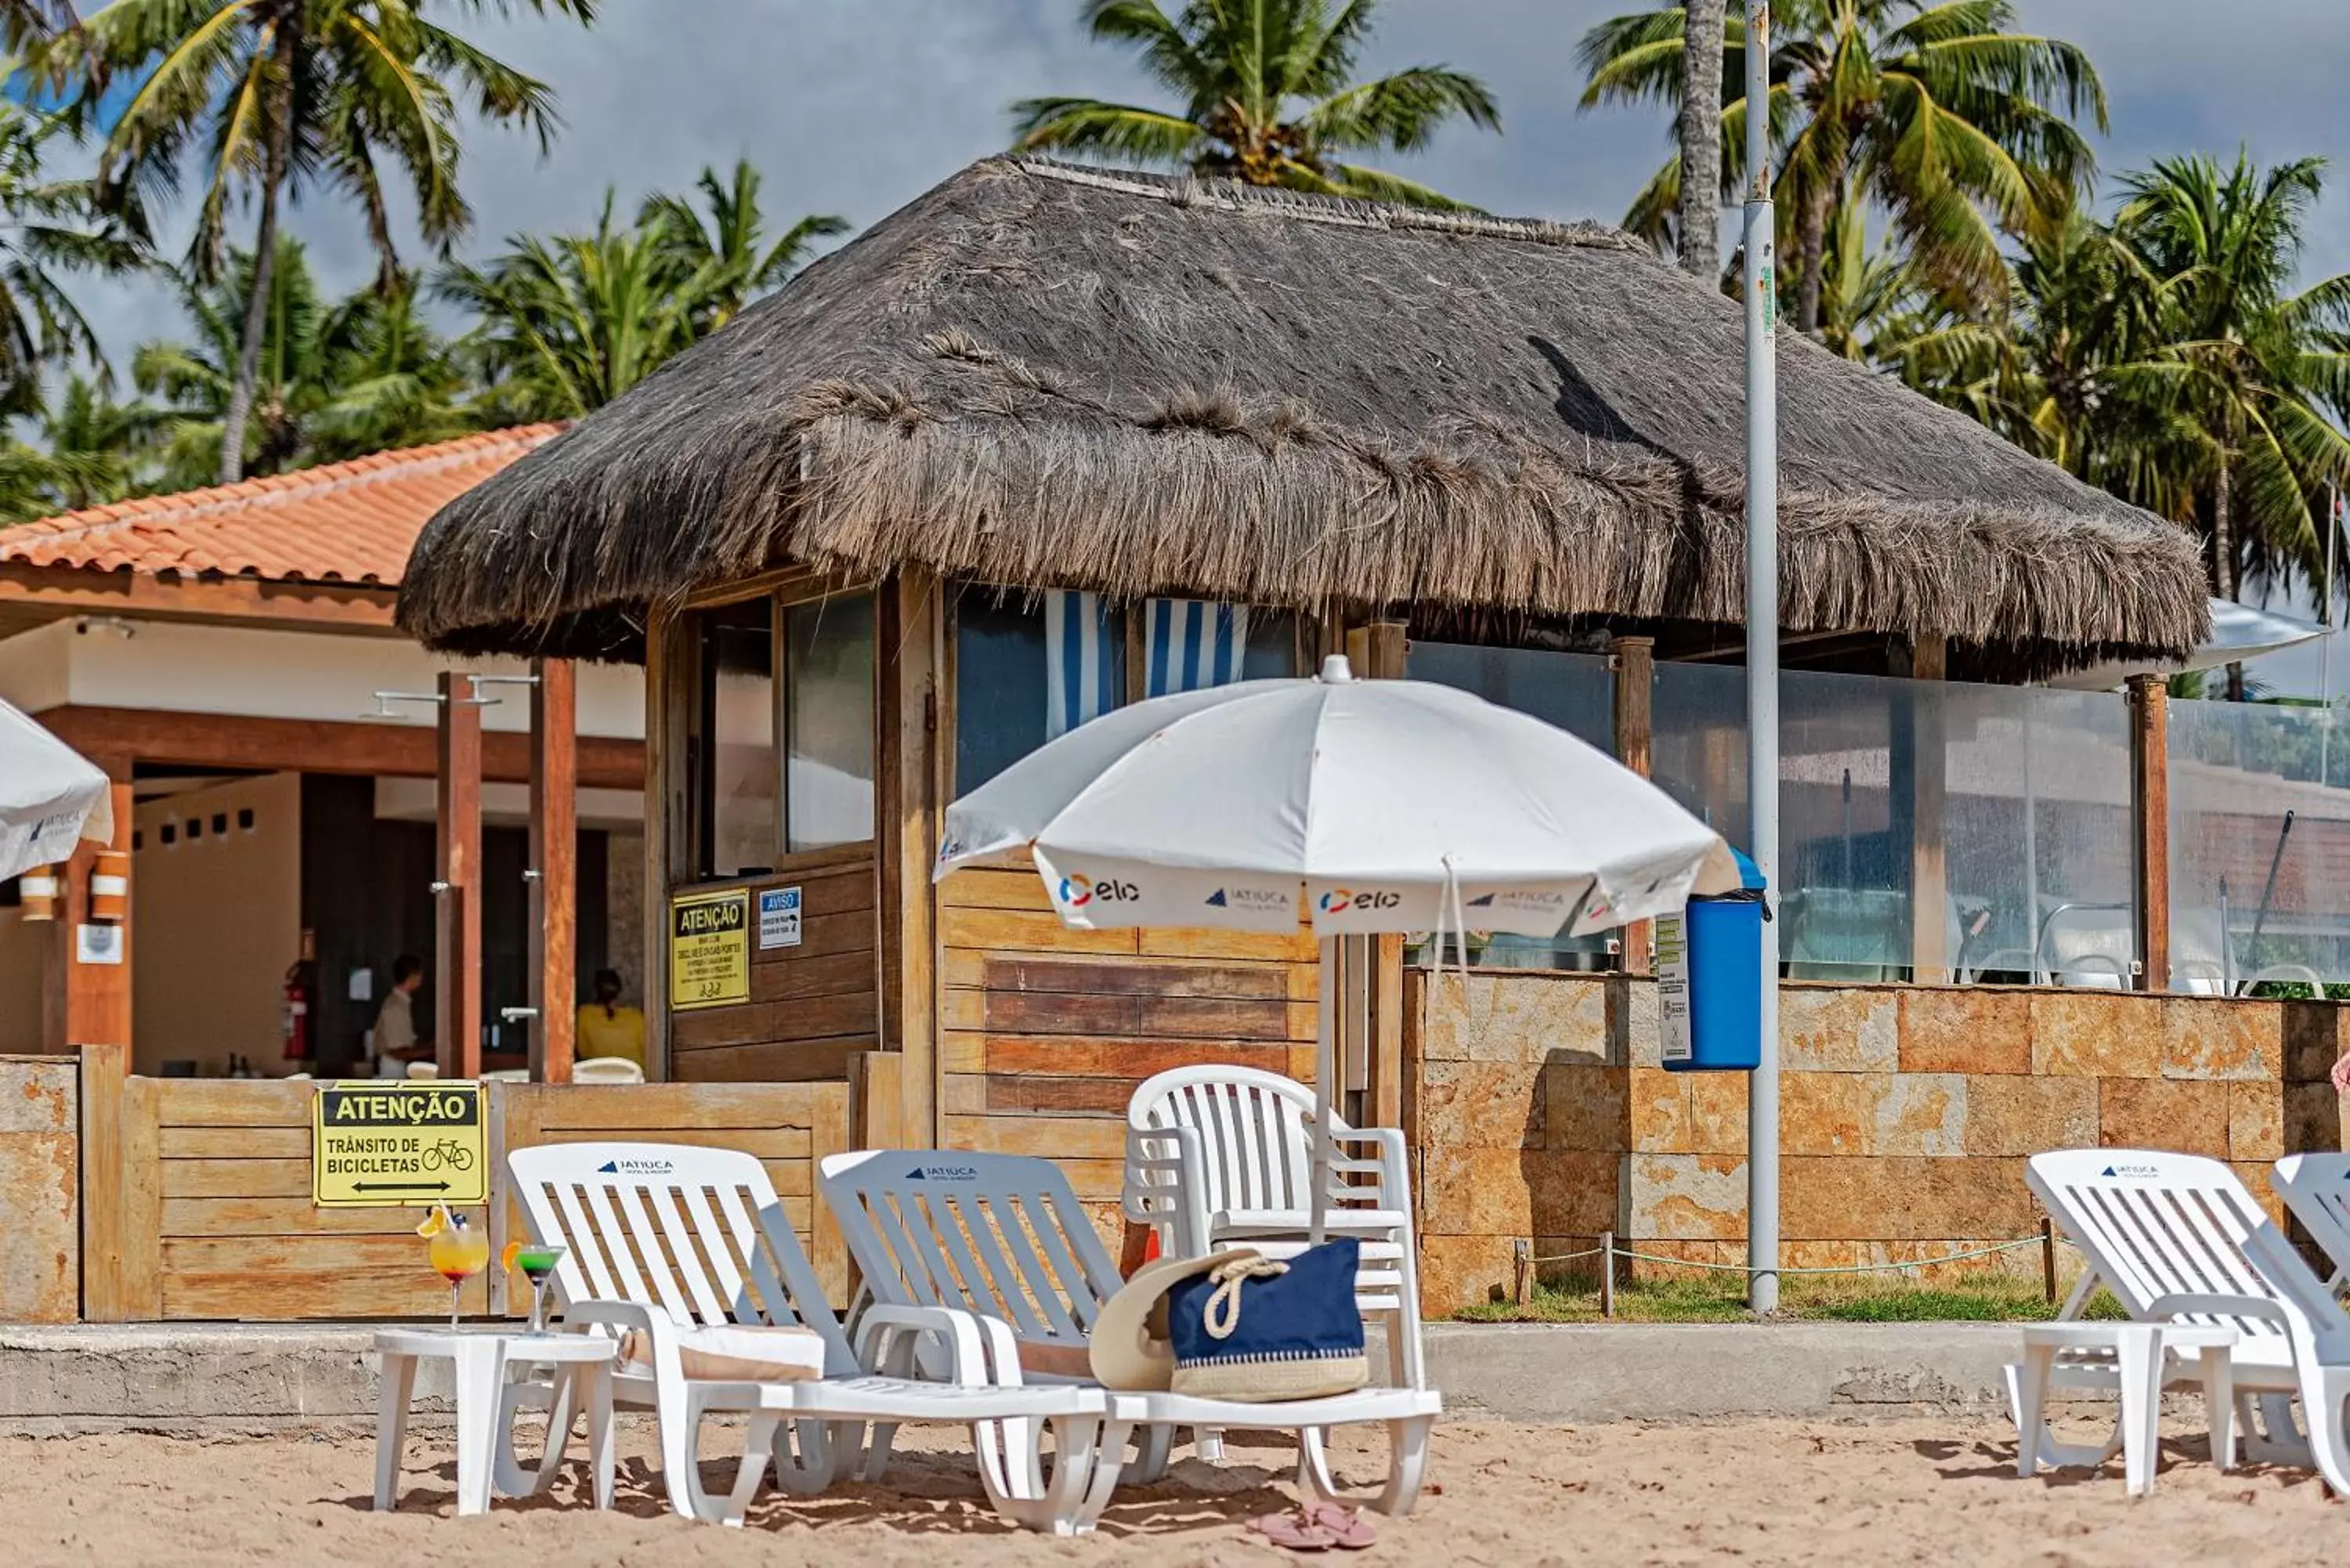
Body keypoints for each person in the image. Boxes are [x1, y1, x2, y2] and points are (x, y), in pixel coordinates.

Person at [577, 967, 648, 1073]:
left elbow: (583, 1051)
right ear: (620, 990)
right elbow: (647, 1051)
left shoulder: (583, 1014)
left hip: (597, 1079)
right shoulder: (636, 1016)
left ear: (595, 990)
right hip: (633, 1078)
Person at [372, 955, 433, 1075]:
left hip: (398, 1067)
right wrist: (430, 1051)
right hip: (391, 1070)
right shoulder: (394, 1006)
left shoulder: (402, 1004)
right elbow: (396, 1051)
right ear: (413, 976)